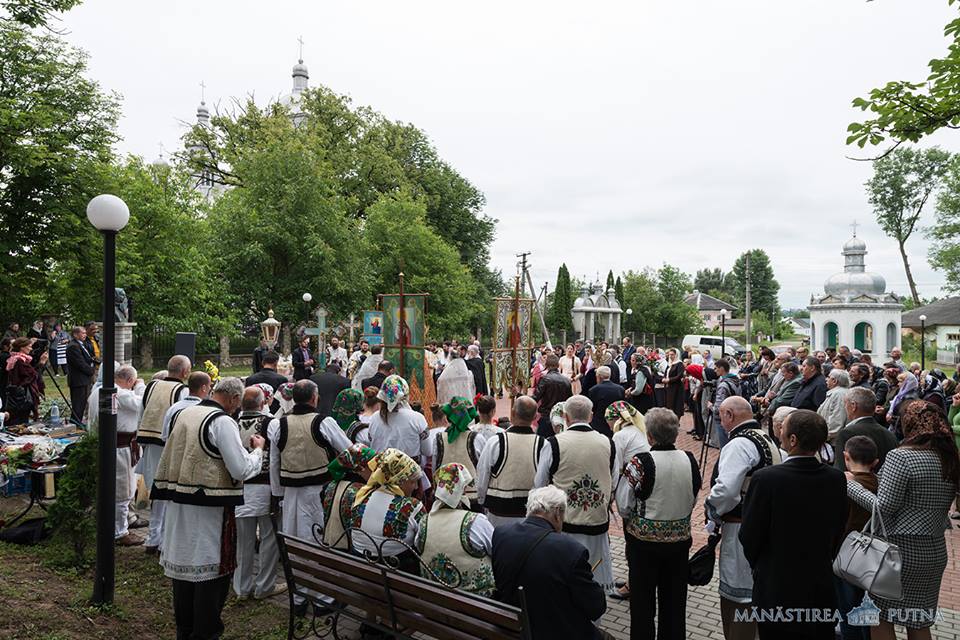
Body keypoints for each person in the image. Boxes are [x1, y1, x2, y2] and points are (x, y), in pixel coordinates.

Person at [150, 377, 265, 640]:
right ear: (235, 399)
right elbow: (241, 469)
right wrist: (257, 452)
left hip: (181, 503)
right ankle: (205, 632)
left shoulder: (185, 413)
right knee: (209, 573)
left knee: (185, 572)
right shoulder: (221, 422)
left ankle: (186, 631)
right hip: (210, 510)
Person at [846, 400, 959, 640]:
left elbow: (883, 507)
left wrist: (851, 485)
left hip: (898, 550)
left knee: (881, 615)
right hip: (934, 549)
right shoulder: (949, 457)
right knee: (918, 620)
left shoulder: (901, 456)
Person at [738, 409, 847, 640]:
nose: (779, 435)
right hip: (819, 584)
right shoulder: (836, 478)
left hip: (777, 586)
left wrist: (761, 565)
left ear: (793, 440)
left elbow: (749, 535)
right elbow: (839, 528)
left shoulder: (766, 479)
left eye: (783, 431)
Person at [267, 379, 351, 614]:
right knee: (322, 541)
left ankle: (299, 598)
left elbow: (274, 462)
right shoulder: (325, 422)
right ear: (315, 398)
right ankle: (323, 598)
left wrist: (278, 494)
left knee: (296, 542)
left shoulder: (278, 425)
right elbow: (348, 450)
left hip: (292, 493)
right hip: (320, 493)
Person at [615, 408, 699, 640]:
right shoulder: (689, 460)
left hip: (643, 545)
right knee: (674, 603)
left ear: (649, 436)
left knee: (642, 604)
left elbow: (623, 504)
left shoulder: (640, 462)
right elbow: (692, 497)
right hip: (679, 544)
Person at [705, 395, 782, 640]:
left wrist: (711, 510)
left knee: (739, 600)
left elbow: (726, 490)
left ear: (729, 415)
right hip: (763, 529)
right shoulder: (766, 438)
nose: (721, 423)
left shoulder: (739, 444)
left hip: (740, 530)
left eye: (721, 417)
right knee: (755, 594)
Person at [492, 485, 607, 640]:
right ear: (558, 514)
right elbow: (596, 607)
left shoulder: (501, 534)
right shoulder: (571, 550)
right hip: (552, 632)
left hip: (511, 627)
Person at [534, 395, 616, 595]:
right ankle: (592, 610)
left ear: (566, 417)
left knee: (564, 573)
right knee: (593, 571)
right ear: (591, 416)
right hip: (596, 521)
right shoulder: (607, 442)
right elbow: (613, 480)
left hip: (563, 522)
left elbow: (540, 483)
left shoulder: (554, 443)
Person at [135, 357, 194, 555]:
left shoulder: (151, 386)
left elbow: (141, 413)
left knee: (156, 492)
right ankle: (165, 543)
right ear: (185, 372)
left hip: (150, 442)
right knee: (169, 494)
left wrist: (140, 440)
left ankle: (152, 539)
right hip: (169, 446)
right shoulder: (183, 391)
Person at [233, 386, 283, 601]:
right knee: (269, 539)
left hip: (240, 489)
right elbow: (277, 457)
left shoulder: (232, 423)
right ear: (263, 403)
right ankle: (264, 586)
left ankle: (242, 588)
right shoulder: (271, 424)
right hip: (265, 488)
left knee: (243, 542)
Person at [416, 463, 495, 596]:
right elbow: (496, 551)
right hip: (477, 601)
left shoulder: (424, 521)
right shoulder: (475, 522)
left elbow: (419, 547)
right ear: (462, 490)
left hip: (435, 598)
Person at [350, 448, 425, 573]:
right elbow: (424, 543)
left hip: (360, 571)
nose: (416, 486)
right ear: (399, 480)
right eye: (413, 481)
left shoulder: (362, 496)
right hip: (397, 574)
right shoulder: (411, 506)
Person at [476, 396, 545, 528]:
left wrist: (482, 502)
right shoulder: (543, 445)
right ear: (535, 417)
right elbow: (543, 481)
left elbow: (482, 474)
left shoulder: (496, 442)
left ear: (512, 413)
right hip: (529, 514)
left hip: (498, 513)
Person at [835, 436, 879, 640]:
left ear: (846, 457)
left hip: (846, 556)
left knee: (847, 609)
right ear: (876, 462)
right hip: (872, 558)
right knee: (866, 610)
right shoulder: (880, 484)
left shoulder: (845, 486)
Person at [367, 375, 433, 486]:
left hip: (380, 479)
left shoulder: (373, 418)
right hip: (407, 481)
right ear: (405, 394)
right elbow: (428, 451)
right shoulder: (417, 418)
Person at [113, 365, 146, 546]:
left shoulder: (100, 390)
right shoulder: (122, 393)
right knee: (124, 491)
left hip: (119, 446)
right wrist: (140, 386)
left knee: (118, 489)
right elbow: (143, 404)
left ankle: (117, 527)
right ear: (129, 381)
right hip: (121, 448)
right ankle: (120, 532)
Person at [319, 443, 375, 549]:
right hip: (348, 552)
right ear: (360, 468)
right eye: (372, 466)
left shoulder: (331, 485)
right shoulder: (361, 491)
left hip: (328, 546)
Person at [833, 387, 899, 472]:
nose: (845, 408)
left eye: (845, 404)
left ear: (853, 406)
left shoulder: (847, 433)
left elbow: (840, 471)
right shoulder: (889, 435)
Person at [4, 337, 46, 423]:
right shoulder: (19, 360)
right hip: (21, 398)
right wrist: (41, 363)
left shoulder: (14, 358)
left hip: (15, 395)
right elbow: (32, 375)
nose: (31, 348)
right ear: (22, 347)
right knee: (20, 421)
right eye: (29, 346)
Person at [532, 353, 572, 438]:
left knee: (543, 444)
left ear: (546, 365)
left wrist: (519, 395)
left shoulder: (545, 379)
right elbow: (569, 401)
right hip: (560, 417)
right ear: (558, 365)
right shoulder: (566, 381)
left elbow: (535, 398)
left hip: (547, 417)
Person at [66, 326, 95, 424]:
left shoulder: (82, 344)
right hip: (78, 379)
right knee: (78, 403)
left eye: (85, 333)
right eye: (82, 333)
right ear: (75, 334)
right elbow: (80, 363)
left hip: (84, 378)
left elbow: (87, 358)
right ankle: (75, 422)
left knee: (82, 403)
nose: (85, 335)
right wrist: (91, 371)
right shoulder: (73, 346)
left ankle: (77, 421)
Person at [709, 359, 740, 449]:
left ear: (721, 368)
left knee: (724, 447)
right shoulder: (736, 381)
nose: (714, 371)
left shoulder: (723, 386)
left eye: (716, 368)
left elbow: (718, 408)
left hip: (723, 419)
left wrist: (711, 406)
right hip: (733, 416)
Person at [587, 366, 624, 438]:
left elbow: (592, 408)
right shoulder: (620, 389)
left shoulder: (594, 390)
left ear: (599, 377)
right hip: (615, 423)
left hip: (599, 424)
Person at [817, 368, 850, 440]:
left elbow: (837, 421)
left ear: (834, 381)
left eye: (828, 377)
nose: (826, 379)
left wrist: (824, 437)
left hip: (833, 441)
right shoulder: (836, 393)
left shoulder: (839, 394)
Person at [661, 348, 686, 419]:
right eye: (669, 355)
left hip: (677, 388)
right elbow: (666, 373)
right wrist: (664, 378)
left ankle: (676, 421)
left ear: (676, 355)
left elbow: (679, 376)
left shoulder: (679, 364)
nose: (670, 356)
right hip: (669, 387)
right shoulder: (669, 364)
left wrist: (669, 380)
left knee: (676, 405)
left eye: (672, 355)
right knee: (669, 405)